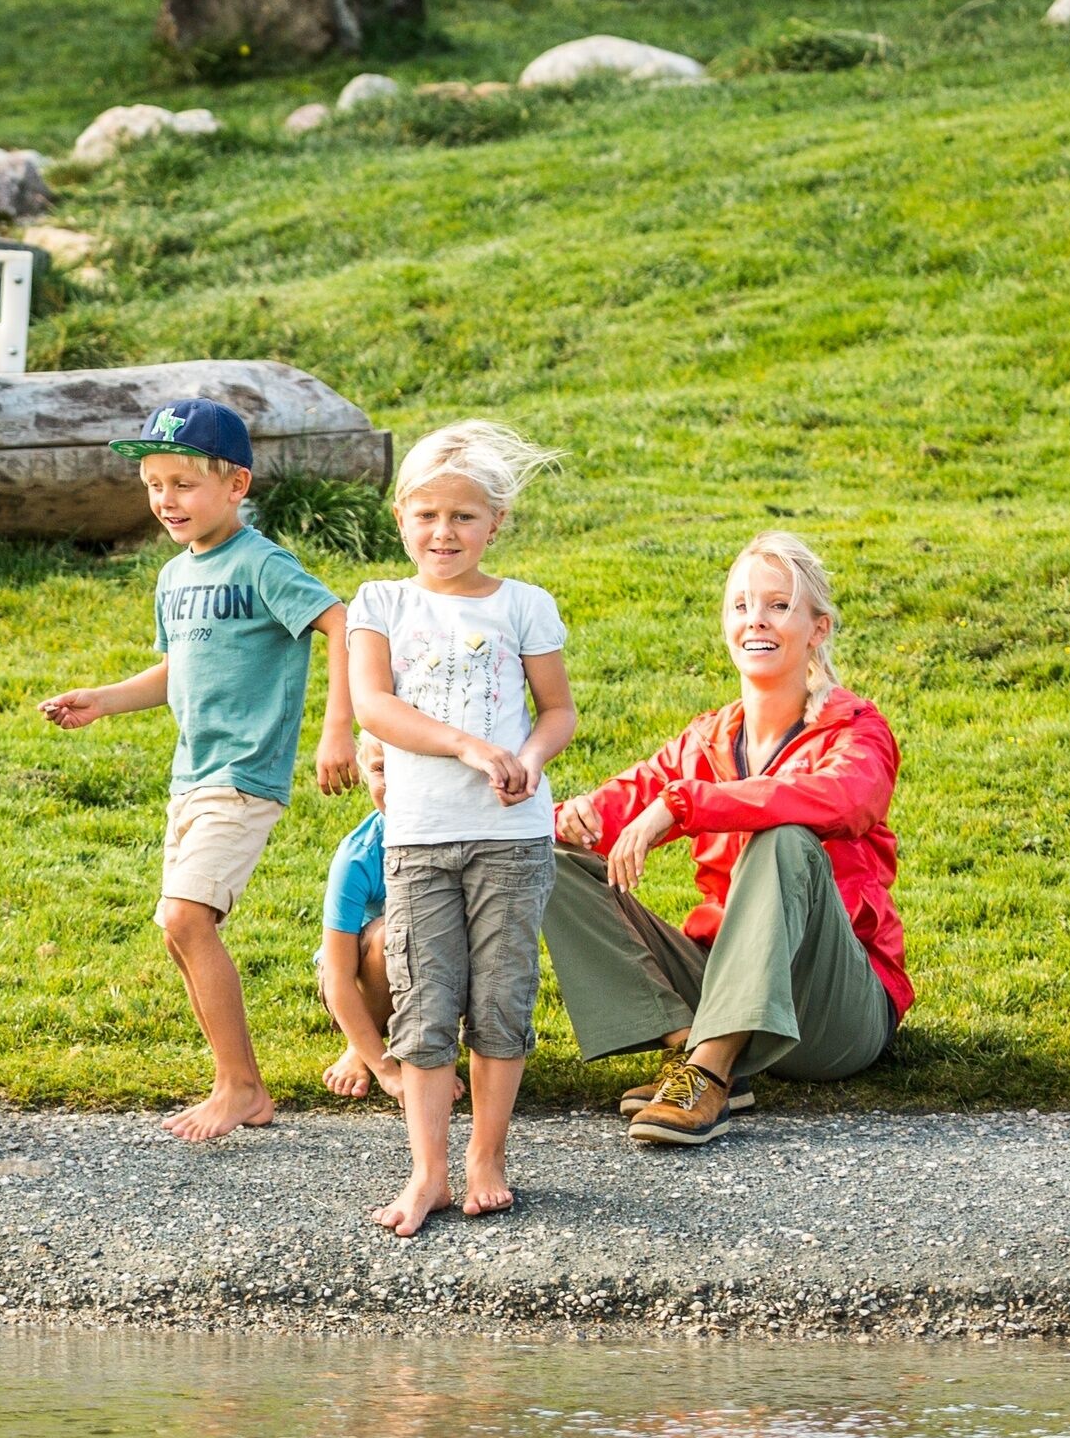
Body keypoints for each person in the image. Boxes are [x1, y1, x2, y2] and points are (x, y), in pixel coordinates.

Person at [38, 397, 358, 1142]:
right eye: (154, 484)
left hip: (243, 775)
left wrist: (337, 728)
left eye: (183, 483)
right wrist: (104, 701)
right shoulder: (175, 577)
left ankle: (241, 1086)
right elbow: (176, 671)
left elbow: (340, 622)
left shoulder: (262, 563)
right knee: (177, 930)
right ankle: (236, 1083)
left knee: (187, 917)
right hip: (190, 777)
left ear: (236, 486)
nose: (166, 500)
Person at [548, 530, 907, 1149]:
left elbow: (845, 800)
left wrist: (684, 804)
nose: (755, 621)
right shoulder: (707, 739)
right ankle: (693, 1050)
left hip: (834, 1014)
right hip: (720, 985)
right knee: (551, 860)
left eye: (777, 605)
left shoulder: (857, 729)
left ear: (817, 629)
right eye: (740, 606)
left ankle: (709, 1069)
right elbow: (613, 810)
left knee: (786, 837)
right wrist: (571, 817)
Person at [345, 422, 575, 1233]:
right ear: (401, 517)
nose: (444, 533)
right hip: (417, 838)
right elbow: (375, 706)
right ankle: (428, 1172)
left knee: (502, 1000)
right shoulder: (381, 603)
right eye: (428, 516)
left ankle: (487, 1161)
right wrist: (468, 745)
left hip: (512, 839)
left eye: (465, 518)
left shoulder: (525, 605)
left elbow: (558, 712)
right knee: (424, 1001)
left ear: (497, 523)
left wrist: (531, 760)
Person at [315, 738, 396, 1099]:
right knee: (390, 934)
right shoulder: (359, 855)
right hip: (360, 978)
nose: (392, 783)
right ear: (364, 773)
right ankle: (363, 1048)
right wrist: (387, 1073)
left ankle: (427, 1053)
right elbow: (337, 975)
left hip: (435, 972)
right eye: (380, 769)